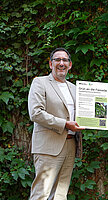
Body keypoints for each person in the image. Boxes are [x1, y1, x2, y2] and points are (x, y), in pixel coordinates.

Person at [28, 48, 84, 200]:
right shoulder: (40, 82)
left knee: (60, 195)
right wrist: (65, 124)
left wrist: (101, 110)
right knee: (42, 194)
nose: (61, 63)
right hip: (48, 146)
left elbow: (84, 113)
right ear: (50, 64)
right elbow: (36, 113)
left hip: (70, 145)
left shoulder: (74, 88)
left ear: (70, 65)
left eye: (65, 60)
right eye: (57, 60)